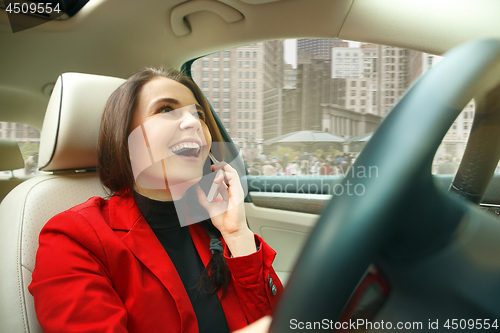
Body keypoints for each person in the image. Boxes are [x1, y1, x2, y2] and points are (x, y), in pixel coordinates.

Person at [28, 68, 283, 333]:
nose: (194, 123)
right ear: (124, 137)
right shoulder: (73, 237)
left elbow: (283, 318)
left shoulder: (212, 222)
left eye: (199, 115)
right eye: (164, 110)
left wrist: (236, 233)